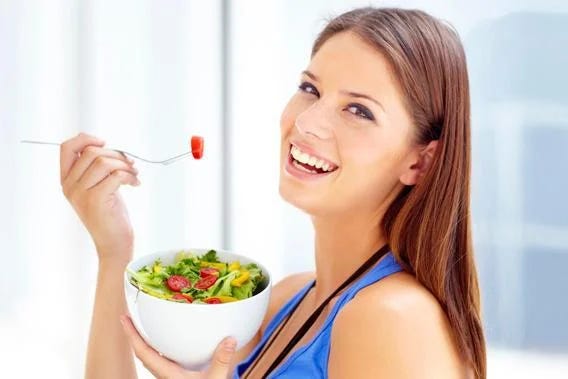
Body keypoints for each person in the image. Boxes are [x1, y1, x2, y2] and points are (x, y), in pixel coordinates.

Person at [61, 6, 486, 379]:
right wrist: (113, 250)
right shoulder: (287, 299)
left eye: (358, 110)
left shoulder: (391, 319)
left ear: (421, 162)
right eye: (310, 90)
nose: (307, 123)